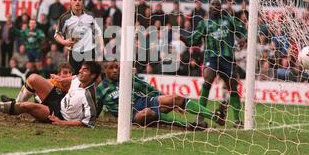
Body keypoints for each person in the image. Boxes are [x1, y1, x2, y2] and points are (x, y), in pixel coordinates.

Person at [96, 61, 226, 129]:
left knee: (177, 97)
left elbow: (148, 89)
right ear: (104, 70)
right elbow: (97, 108)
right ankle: (188, 126)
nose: (115, 70)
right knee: (147, 113)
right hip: (131, 114)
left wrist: (169, 102)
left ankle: (215, 117)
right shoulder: (101, 89)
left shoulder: (127, 78)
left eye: (116, 67)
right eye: (111, 68)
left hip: (144, 101)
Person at [0, 61, 101, 128]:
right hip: (60, 98)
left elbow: (87, 123)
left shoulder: (90, 95)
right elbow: (72, 78)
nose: (80, 71)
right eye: (81, 68)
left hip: (59, 114)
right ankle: (14, 102)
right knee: (33, 78)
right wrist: (61, 79)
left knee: (27, 106)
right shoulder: (78, 78)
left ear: (93, 75)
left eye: (84, 70)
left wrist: (62, 123)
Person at [184, 0, 247, 128]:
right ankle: (200, 117)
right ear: (209, 7)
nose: (215, 7)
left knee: (232, 86)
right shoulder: (204, 24)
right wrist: (184, 39)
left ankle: (237, 120)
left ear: (220, 7)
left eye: (218, 5)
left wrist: (243, 39)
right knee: (208, 79)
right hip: (211, 58)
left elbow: (243, 30)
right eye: (213, 5)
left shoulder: (228, 20)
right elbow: (193, 40)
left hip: (227, 58)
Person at [54, 0, 104, 73]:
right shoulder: (64, 18)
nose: (77, 2)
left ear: (82, 2)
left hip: (89, 51)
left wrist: (101, 46)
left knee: (90, 76)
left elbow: (98, 32)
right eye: (75, 0)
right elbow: (56, 35)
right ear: (71, 2)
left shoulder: (90, 15)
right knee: (74, 77)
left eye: (79, 0)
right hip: (74, 52)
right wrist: (64, 42)